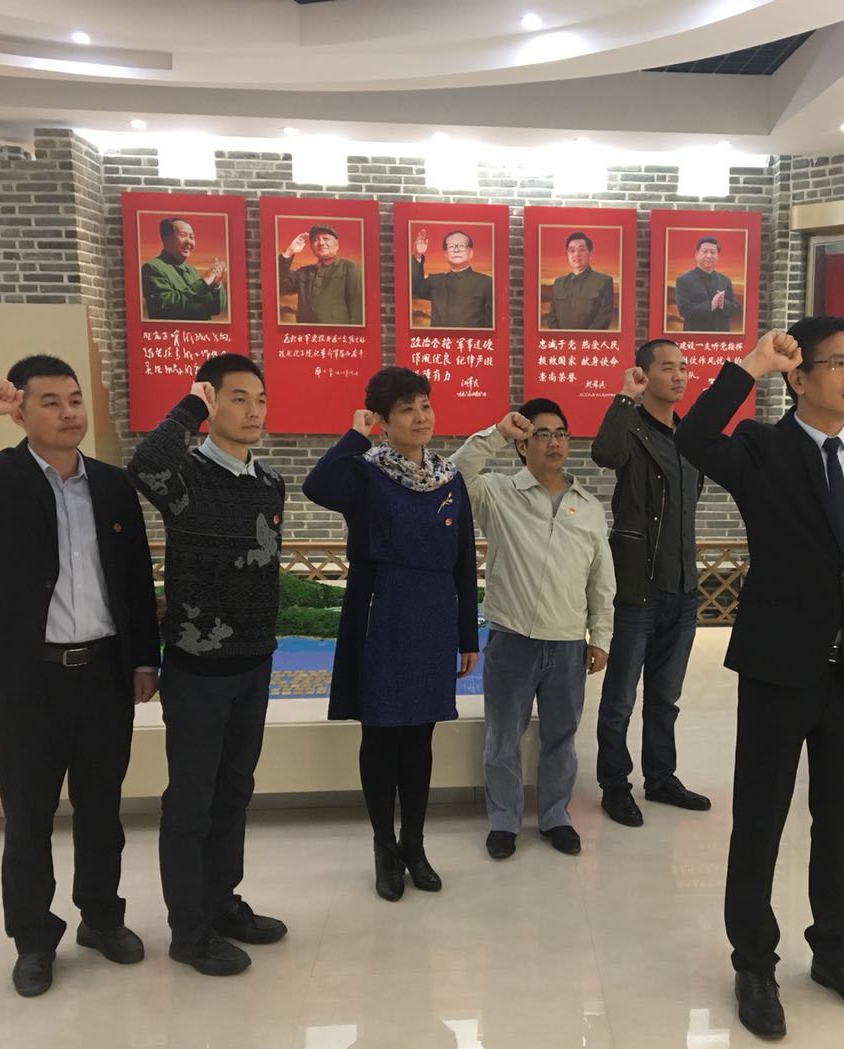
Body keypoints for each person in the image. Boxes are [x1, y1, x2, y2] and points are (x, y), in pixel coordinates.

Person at [675, 317, 844, 1040]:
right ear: (800, 377)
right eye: (837, 363)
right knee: (760, 820)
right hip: (780, 668)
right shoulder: (764, 448)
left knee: (841, 822)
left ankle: (835, 953)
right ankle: (754, 963)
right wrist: (749, 365)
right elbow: (695, 439)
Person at [0, 356, 160, 997]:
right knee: (28, 815)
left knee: (102, 810)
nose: (69, 412)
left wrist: (144, 658)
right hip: (28, 681)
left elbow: (134, 577)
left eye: (74, 399)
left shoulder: (111, 485)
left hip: (103, 675)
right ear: (19, 413)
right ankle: (33, 939)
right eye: (50, 402)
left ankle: (101, 919)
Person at [129, 353, 287, 977]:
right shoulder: (185, 476)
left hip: (254, 663)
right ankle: (189, 931)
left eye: (260, 400)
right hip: (198, 669)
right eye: (238, 398)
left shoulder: (269, 483)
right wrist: (189, 405)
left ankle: (223, 903)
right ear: (212, 401)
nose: (253, 411)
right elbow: (145, 464)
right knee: (191, 802)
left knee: (235, 791)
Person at [302, 367, 480, 900]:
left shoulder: (449, 478)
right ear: (382, 420)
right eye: (406, 409)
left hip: (433, 614)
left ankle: (414, 845)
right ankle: (384, 846)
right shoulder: (365, 472)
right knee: (381, 735)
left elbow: (464, 560)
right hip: (381, 611)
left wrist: (467, 635)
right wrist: (355, 436)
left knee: (420, 736)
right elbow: (317, 486)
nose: (421, 416)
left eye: (425, 405)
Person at [451, 399, 615, 860]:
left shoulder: (588, 507)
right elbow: (456, 474)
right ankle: (504, 821)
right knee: (503, 736)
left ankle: (555, 816)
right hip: (513, 639)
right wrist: (498, 433)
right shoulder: (499, 493)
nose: (554, 443)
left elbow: (601, 579)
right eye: (543, 434)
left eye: (561, 433)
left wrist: (601, 637)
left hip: (568, 643)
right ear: (523, 445)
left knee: (561, 737)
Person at [590, 339, 709, 828]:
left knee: (666, 698)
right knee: (620, 698)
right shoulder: (632, 430)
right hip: (638, 587)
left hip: (683, 588)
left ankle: (660, 777)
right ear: (644, 374)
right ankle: (614, 785)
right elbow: (604, 453)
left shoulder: (690, 436)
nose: (679, 376)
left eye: (684, 368)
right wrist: (625, 398)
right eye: (667, 368)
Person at [142, 217, 227, 321]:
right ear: (166, 238)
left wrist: (216, 285)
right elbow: (165, 306)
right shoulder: (152, 268)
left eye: (191, 237)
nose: (189, 241)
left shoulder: (192, 270)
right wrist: (203, 282)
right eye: (183, 235)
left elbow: (216, 309)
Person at [277, 223, 364, 325]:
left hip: (337, 333)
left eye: (326, 238)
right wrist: (289, 251)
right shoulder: (303, 272)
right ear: (311, 247)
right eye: (315, 240)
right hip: (305, 333)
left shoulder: (348, 268)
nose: (321, 243)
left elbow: (358, 308)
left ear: (337, 245)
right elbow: (279, 285)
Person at [411, 228, 493, 328]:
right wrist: (417, 255)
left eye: (461, 246)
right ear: (446, 254)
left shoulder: (487, 283)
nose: (456, 250)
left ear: (471, 252)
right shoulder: (435, 281)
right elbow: (414, 288)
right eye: (451, 246)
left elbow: (491, 323)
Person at [545, 230, 616, 331]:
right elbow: (552, 317)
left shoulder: (603, 281)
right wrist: (560, 336)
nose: (576, 254)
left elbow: (603, 319)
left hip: (590, 340)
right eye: (572, 250)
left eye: (581, 250)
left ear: (590, 254)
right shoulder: (558, 283)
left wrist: (582, 338)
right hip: (560, 340)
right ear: (567, 254)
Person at [674, 236, 743, 333]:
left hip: (722, 337)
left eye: (713, 252)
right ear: (697, 254)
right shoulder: (683, 280)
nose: (709, 256)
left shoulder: (725, 280)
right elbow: (684, 310)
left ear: (717, 256)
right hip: (694, 336)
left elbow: (735, 308)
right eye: (705, 251)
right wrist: (711, 305)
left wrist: (722, 303)